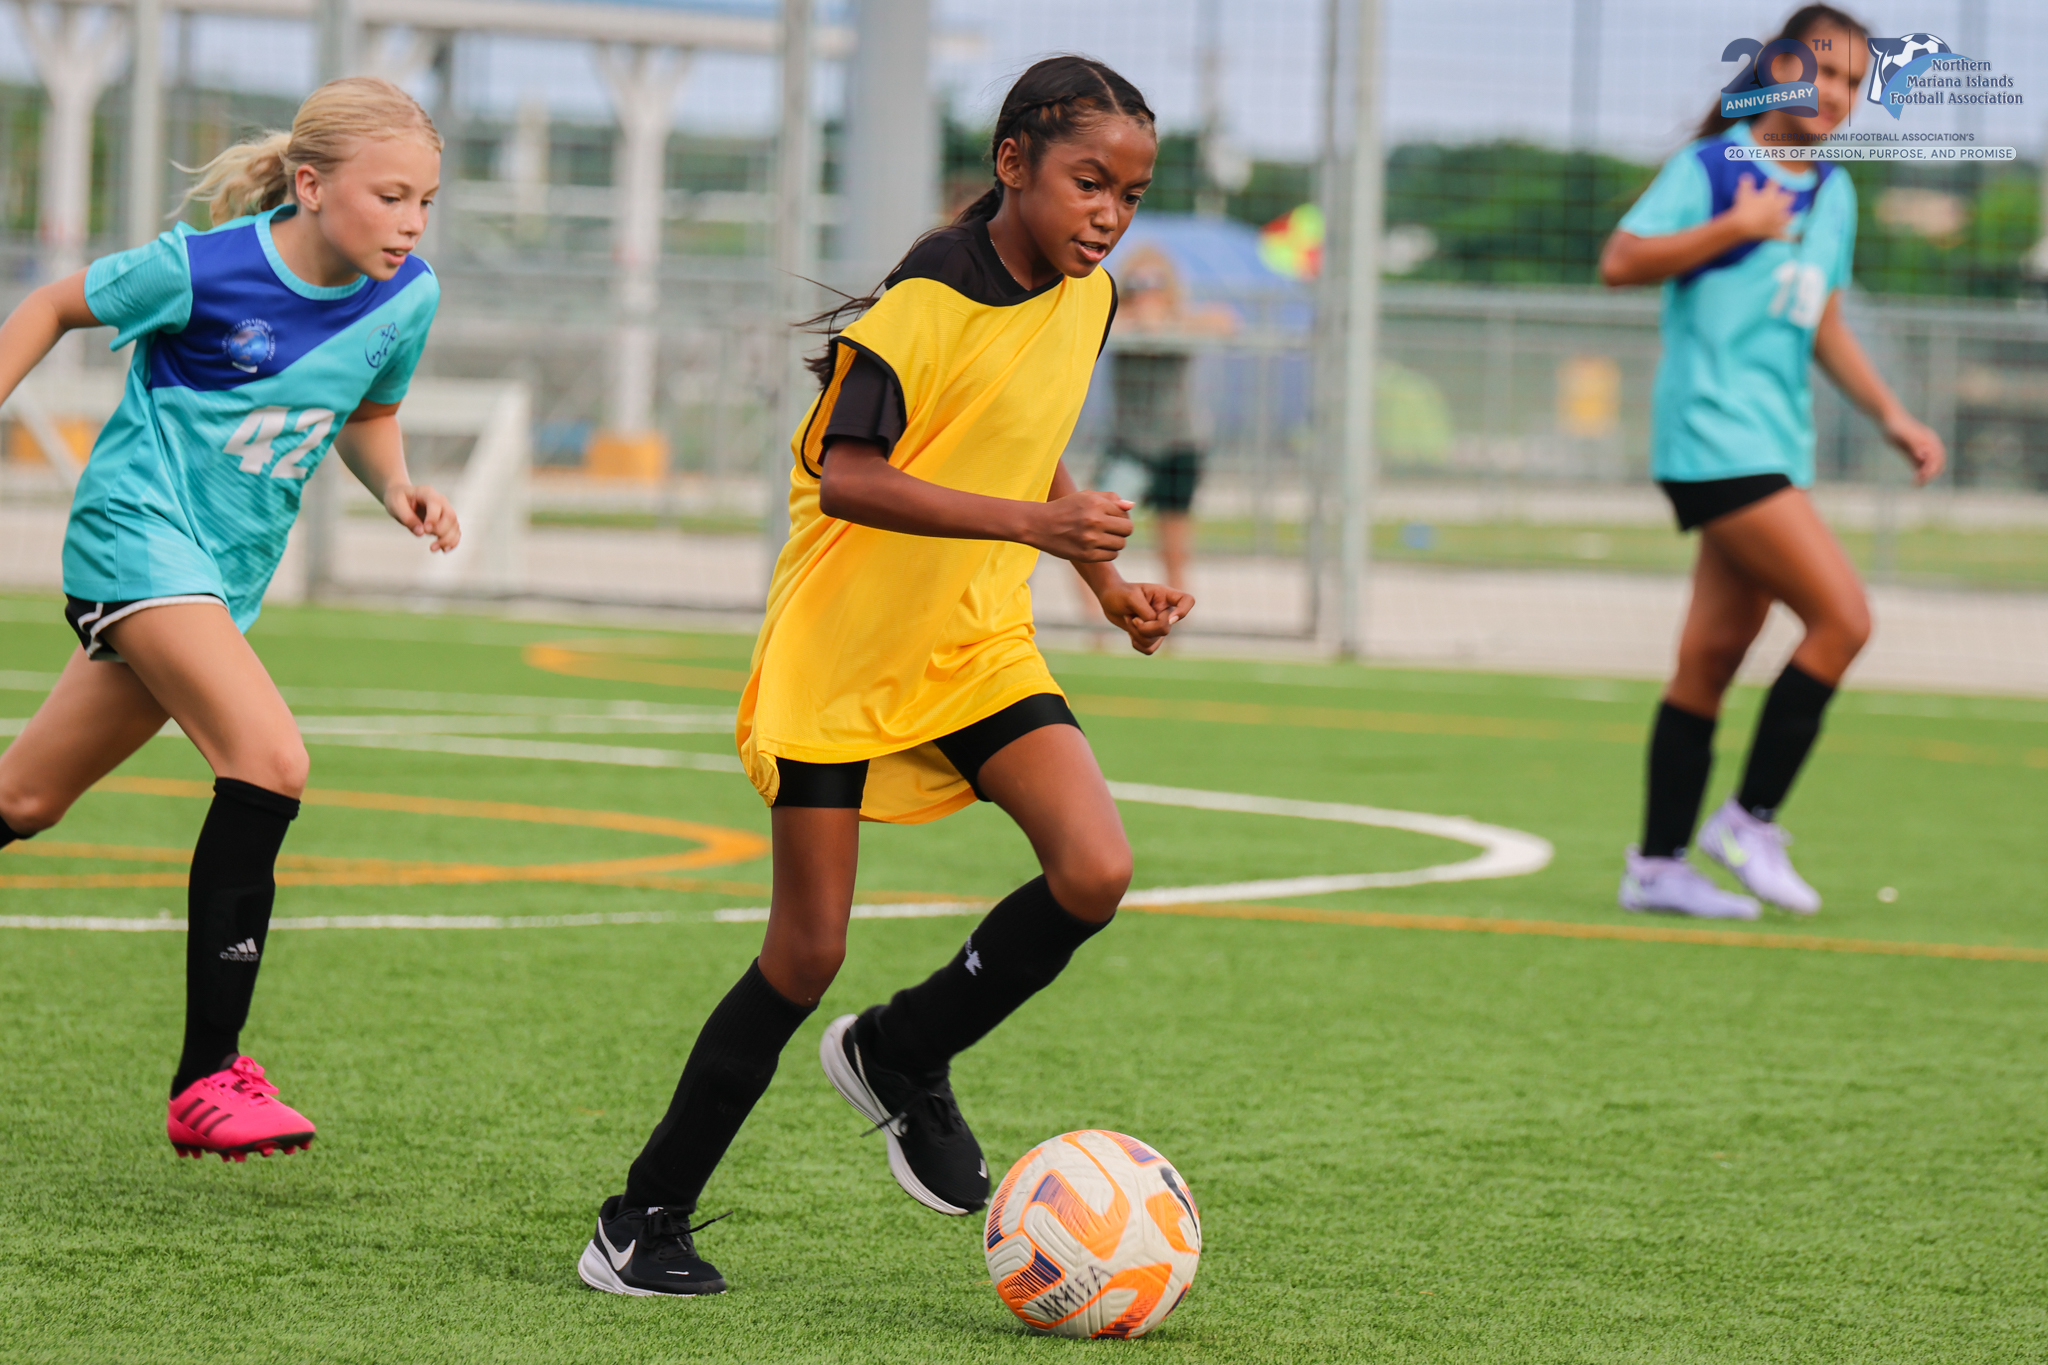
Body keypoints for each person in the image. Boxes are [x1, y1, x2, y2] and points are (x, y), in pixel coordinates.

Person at [578, 56, 1191, 1298]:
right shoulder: (924, 298)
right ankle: (641, 1220)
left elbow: (1029, 443)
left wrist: (1106, 586)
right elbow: (846, 475)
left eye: (1130, 193)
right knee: (802, 954)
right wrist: (1034, 531)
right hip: (842, 652)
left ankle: (903, 1051)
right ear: (1012, 162)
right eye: (1087, 183)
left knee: (1094, 868)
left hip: (971, 641)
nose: (1108, 215)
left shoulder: (1091, 296)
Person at [0, 78, 455, 1158]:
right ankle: (208, 1078)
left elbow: (371, 411)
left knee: (24, 796)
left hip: (220, 579)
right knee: (269, 758)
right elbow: (54, 304)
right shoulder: (204, 268)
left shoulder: (410, 296)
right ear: (310, 185)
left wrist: (398, 488)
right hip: (138, 543)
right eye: (390, 195)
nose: (411, 222)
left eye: (426, 202)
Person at [1599, 5, 1943, 920]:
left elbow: (1822, 318)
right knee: (1845, 617)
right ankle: (1748, 820)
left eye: (1851, 82)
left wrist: (1891, 415)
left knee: (1710, 657)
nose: (1835, 95)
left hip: (1772, 444)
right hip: (1713, 440)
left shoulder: (1833, 190)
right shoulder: (1714, 169)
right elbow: (1621, 261)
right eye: (1821, 73)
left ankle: (1659, 866)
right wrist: (1735, 228)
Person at [1095, 244, 1235, 595]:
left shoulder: (1184, 320)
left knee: (1174, 551)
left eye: (1155, 282)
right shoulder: (1112, 320)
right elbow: (1099, 328)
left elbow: (1225, 322)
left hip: (1177, 447)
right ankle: (1095, 628)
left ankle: (1173, 627)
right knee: (1094, 539)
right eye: (1138, 283)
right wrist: (1140, 324)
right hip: (1130, 448)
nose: (1147, 291)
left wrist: (1165, 324)